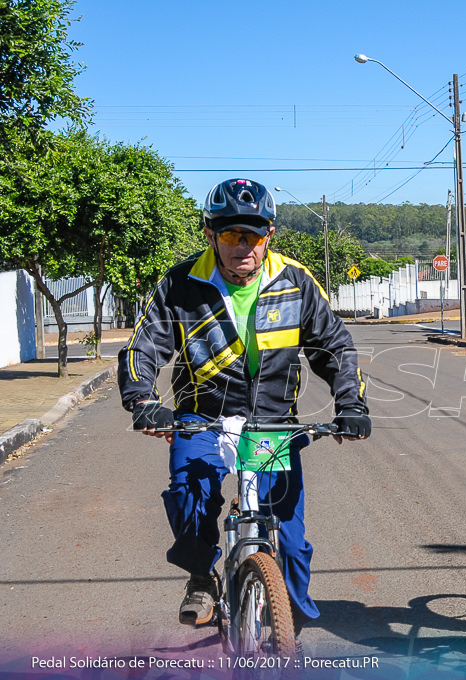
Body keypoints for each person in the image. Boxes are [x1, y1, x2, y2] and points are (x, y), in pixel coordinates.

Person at [118, 178, 370, 633]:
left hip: (272, 422)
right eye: (231, 235)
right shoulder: (181, 284)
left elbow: (335, 348)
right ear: (210, 234)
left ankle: (284, 611)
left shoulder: (294, 281)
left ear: (268, 235)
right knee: (190, 498)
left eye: (253, 235)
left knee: (290, 543)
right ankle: (201, 578)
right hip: (201, 418)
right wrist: (142, 399)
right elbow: (144, 346)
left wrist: (351, 404)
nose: (243, 247)